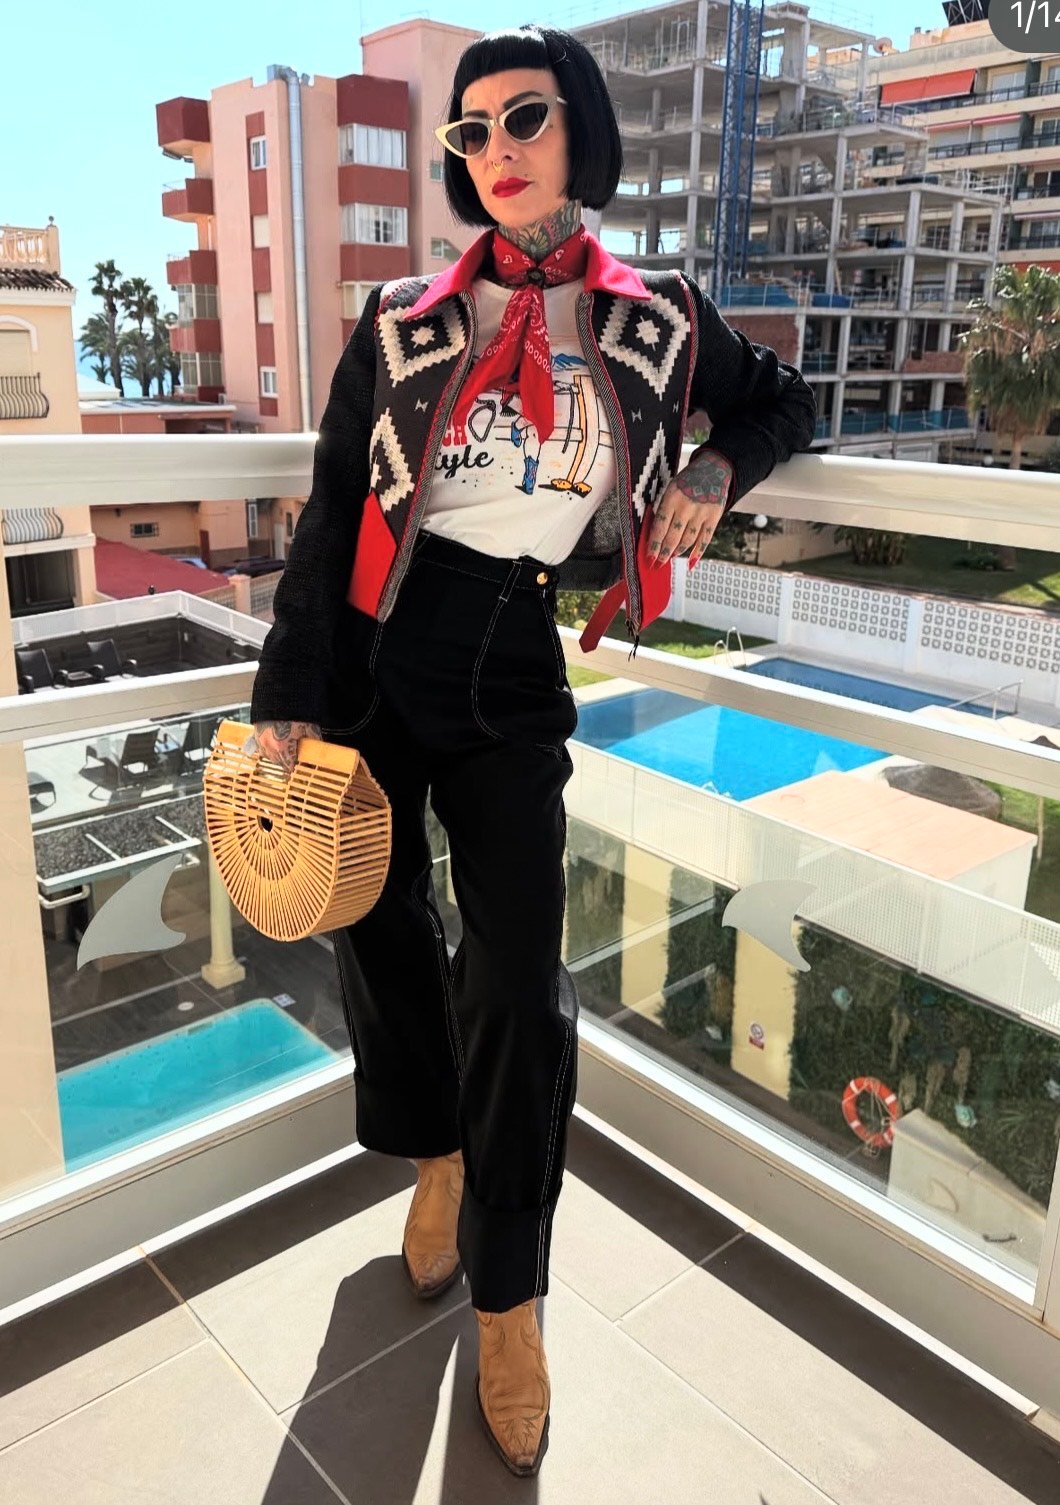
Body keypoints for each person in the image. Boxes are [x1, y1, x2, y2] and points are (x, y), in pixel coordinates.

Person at [248, 24, 816, 1477]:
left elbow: (783, 400)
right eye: (472, 130)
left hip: (514, 648)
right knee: (379, 921)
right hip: (382, 639)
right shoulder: (402, 316)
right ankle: (438, 1156)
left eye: (526, 118)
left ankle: (512, 1292)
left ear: (582, 133)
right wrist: (290, 686)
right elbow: (333, 501)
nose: (496, 149)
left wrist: (713, 464)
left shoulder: (656, 315)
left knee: (514, 968)